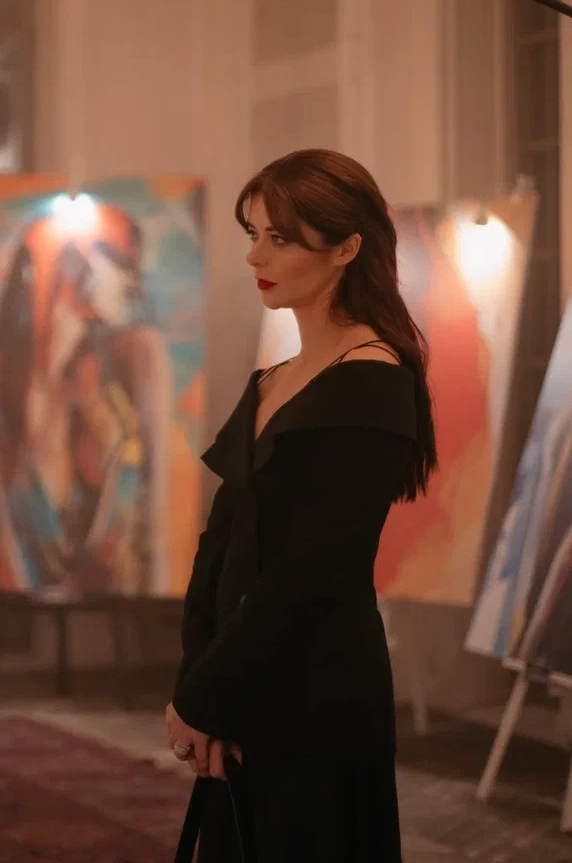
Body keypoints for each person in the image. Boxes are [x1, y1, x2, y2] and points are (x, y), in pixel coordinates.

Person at [165, 149, 438, 862]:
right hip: (243, 679)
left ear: (346, 247)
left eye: (279, 237)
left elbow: (311, 576)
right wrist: (199, 683)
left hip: (314, 691)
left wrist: (208, 695)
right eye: (253, 234)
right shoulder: (273, 378)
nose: (255, 255)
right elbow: (220, 544)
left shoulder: (372, 381)